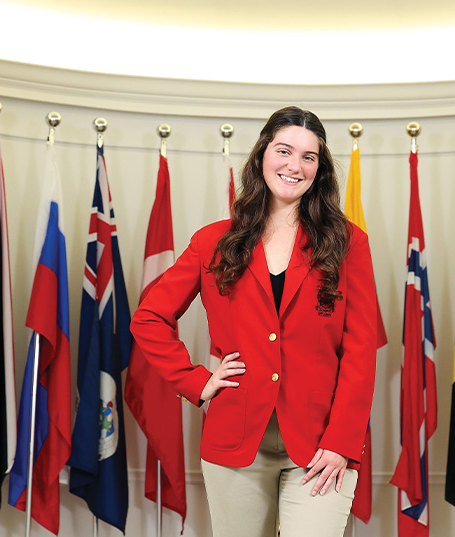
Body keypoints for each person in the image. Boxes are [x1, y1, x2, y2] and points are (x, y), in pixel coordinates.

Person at [130, 106, 377, 537]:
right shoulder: (214, 242)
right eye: (284, 151)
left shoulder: (348, 243)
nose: (294, 166)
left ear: (319, 170)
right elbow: (149, 317)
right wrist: (195, 380)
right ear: (262, 155)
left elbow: (360, 349)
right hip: (234, 442)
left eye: (308, 157)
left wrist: (341, 441)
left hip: (322, 443)